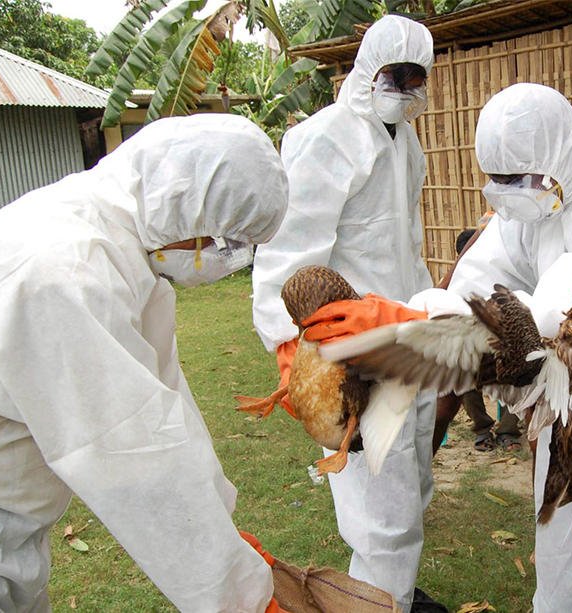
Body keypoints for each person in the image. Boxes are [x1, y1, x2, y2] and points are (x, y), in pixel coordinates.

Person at [304, 83, 572, 611]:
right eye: (497, 181)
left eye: (518, 179)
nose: (507, 192)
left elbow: (558, 316)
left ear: (560, 157)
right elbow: (477, 288)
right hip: (569, 427)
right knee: (561, 589)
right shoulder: (531, 214)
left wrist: (427, 328)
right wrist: (417, 317)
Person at [0, 115, 290, 611]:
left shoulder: (126, 254)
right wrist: (239, 595)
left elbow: (170, 412)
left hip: (1, 515)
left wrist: (226, 529)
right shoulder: (66, 272)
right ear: (181, 205)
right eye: (223, 242)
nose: (225, 258)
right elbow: (134, 458)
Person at [249, 15, 444, 613]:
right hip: (353, 349)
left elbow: (403, 245)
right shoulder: (326, 137)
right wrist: (297, 353)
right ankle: (378, 602)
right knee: (380, 509)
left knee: (412, 484)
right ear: (367, 69)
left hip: (406, 336)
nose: (406, 87)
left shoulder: (401, 138)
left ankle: (389, 595)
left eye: (418, 77)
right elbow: (288, 256)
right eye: (395, 73)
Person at [435, 226, 524, 453]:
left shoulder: (505, 258)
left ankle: (507, 431)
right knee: (464, 380)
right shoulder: (455, 280)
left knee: (514, 375)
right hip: (469, 334)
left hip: (504, 333)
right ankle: (483, 429)